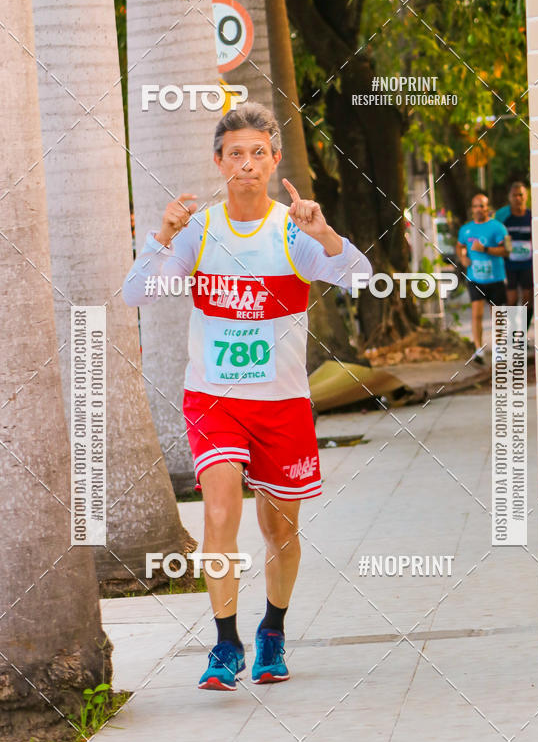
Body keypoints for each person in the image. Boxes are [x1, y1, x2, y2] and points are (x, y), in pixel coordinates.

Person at [122, 103, 372, 691]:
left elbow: (361, 278)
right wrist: (162, 236)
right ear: (219, 162)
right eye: (236, 153)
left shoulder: (294, 230)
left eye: (259, 152)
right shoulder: (201, 231)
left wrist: (326, 234)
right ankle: (226, 642)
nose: (247, 163)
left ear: (274, 159)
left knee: (279, 531)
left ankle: (273, 631)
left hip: (281, 404)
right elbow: (137, 292)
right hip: (214, 398)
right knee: (218, 511)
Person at [456, 192, 509, 365]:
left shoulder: (498, 228)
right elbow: (460, 246)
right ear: (472, 209)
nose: (479, 209)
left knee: (498, 315)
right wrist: (463, 257)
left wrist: (485, 249)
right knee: (476, 314)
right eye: (476, 206)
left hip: (495, 278)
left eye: (482, 206)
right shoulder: (466, 229)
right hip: (475, 278)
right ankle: (478, 350)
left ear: (488, 208)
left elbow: (506, 251)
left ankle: (500, 350)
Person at [495, 181, 534, 330]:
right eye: (514, 195)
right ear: (509, 197)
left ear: (526, 196)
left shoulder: (531, 216)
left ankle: (523, 331)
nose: (518, 198)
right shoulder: (503, 216)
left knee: (527, 299)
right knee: (511, 299)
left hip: (527, 263)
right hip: (509, 263)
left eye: (521, 195)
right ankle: (513, 328)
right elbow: (497, 237)